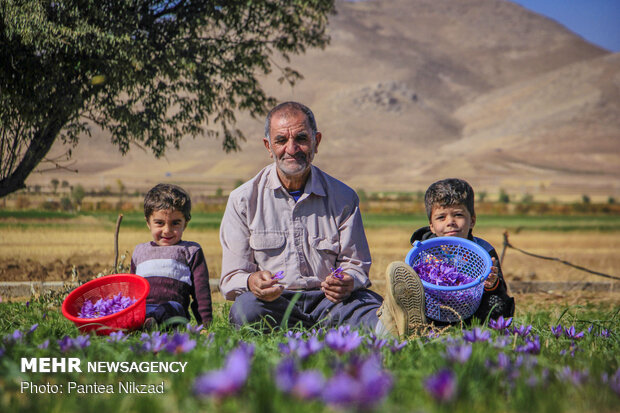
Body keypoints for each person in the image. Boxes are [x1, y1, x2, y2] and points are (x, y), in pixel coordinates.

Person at [219, 101, 420, 336]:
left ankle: (392, 327)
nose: (291, 148)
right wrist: (252, 282)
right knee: (246, 310)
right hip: (276, 305)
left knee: (368, 307)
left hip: (332, 303)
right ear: (268, 146)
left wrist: (346, 282)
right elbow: (232, 278)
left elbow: (356, 266)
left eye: (301, 139)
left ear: (317, 142)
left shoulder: (343, 197)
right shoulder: (243, 200)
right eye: (281, 140)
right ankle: (347, 332)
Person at [395, 178, 515, 327]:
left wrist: (492, 284)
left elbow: (500, 291)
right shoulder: (422, 252)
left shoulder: (484, 251)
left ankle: (482, 334)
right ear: (431, 226)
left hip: (472, 313)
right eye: (441, 217)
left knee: (498, 303)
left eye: (458, 215)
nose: (450, 222)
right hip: (433, 313)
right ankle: (416, 329)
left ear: (472, 220)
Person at [131, 183, 213, 328]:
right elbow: (132, 290)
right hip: (143, 309)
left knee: (169, 309)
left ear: (185, 223)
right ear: (148, 223)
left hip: (174, 311)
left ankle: (150, 325)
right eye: (159, 223)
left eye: (175, 223)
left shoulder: (191, 251)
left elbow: (201, 293)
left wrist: (205, 325)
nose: (167, 230)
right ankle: (145, 324)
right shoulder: (139, 251)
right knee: (137, 313)